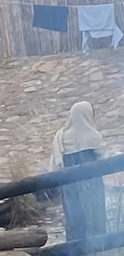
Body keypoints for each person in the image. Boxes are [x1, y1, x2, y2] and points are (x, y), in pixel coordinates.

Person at [49, 101, 108, 242]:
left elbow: (55, 165)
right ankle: (99, 244)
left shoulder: (61, 138)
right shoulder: (94, 137)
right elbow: (103, 159)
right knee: (94, 213)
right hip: (92, 184)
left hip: (70, 186)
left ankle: (76, 248)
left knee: (74, 214)